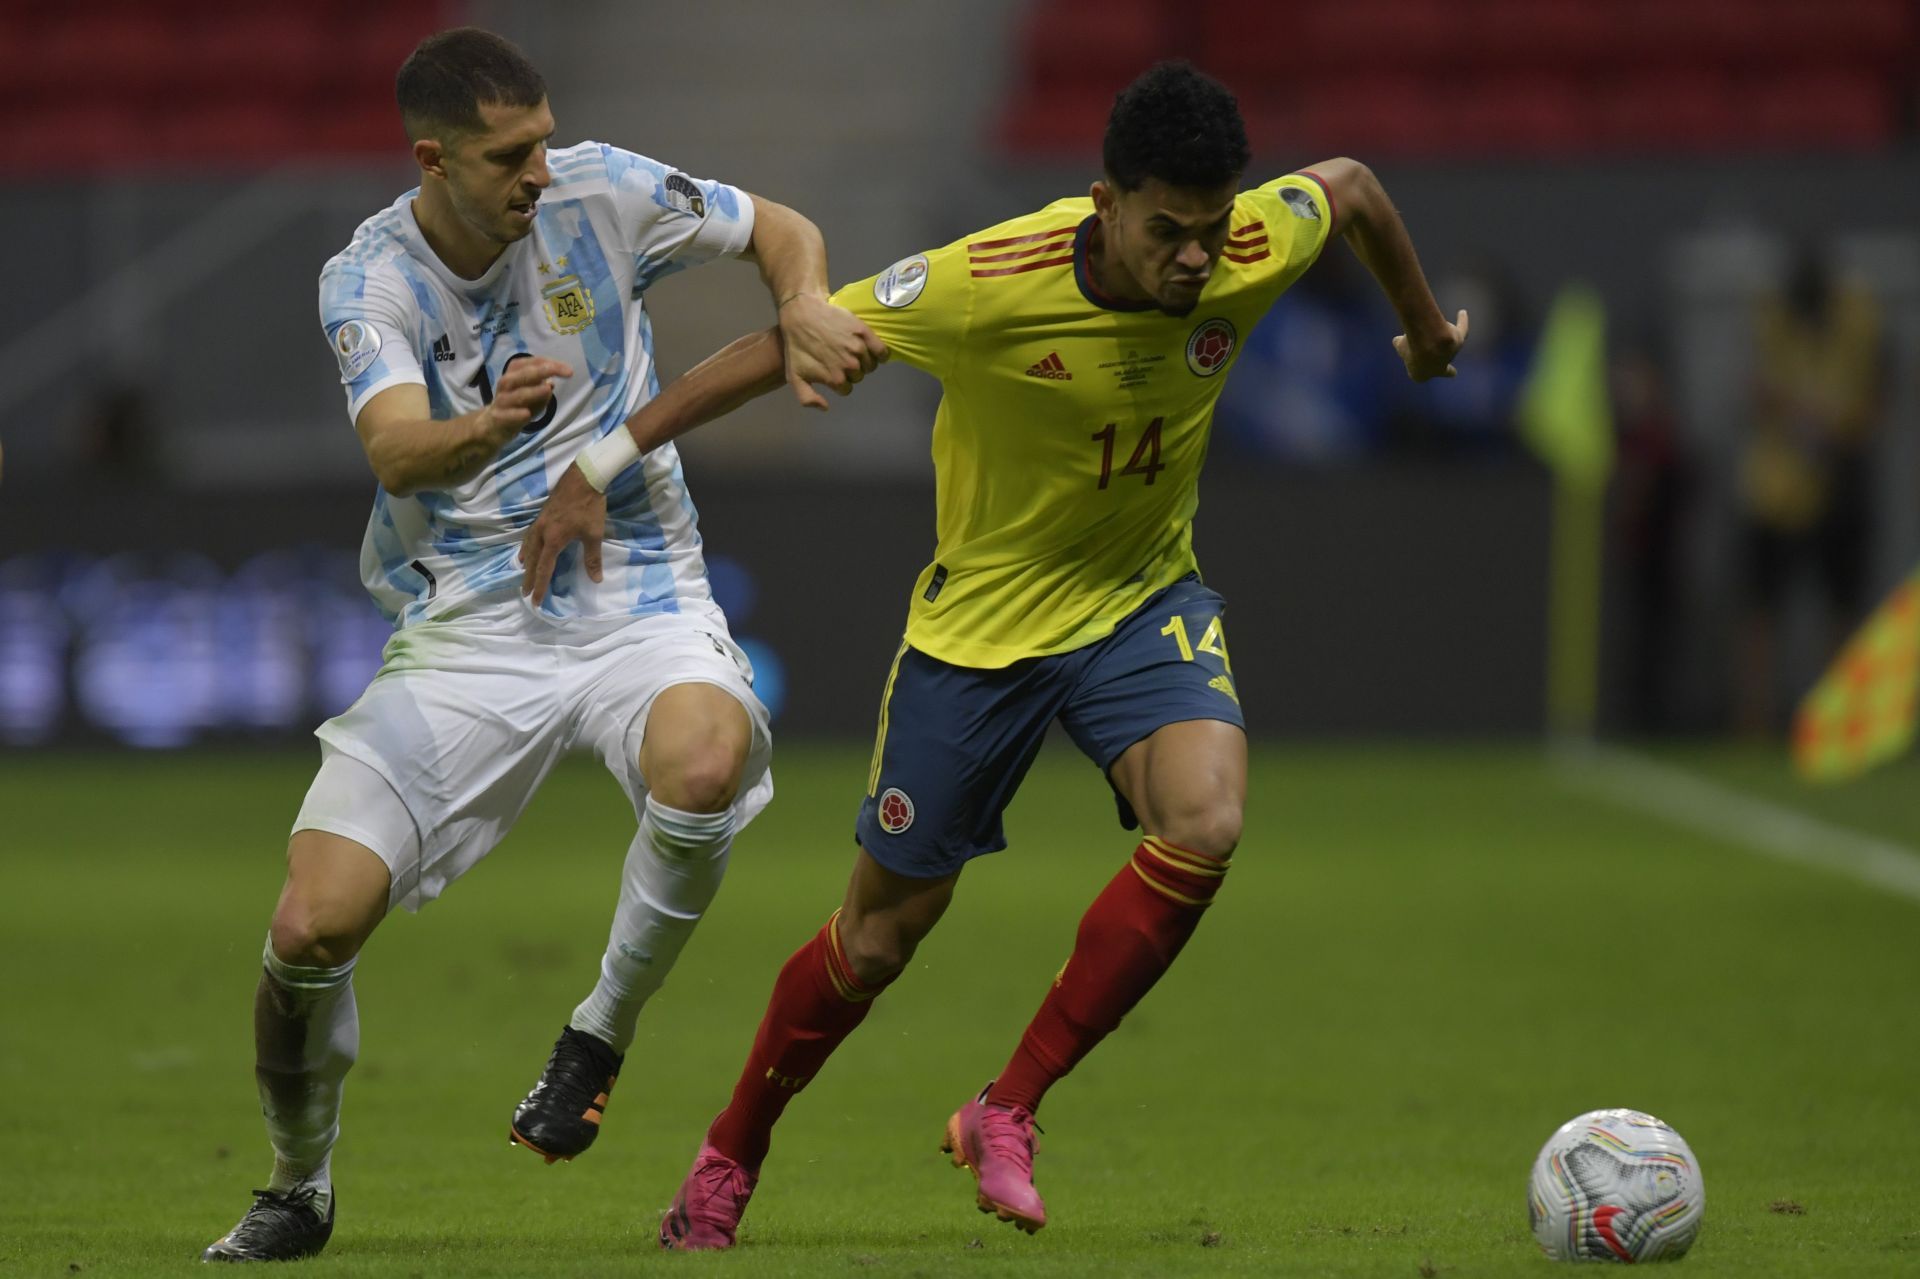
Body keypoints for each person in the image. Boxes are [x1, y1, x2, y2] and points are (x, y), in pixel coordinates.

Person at [522, 59, 1466, 1252]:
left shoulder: (1250, 245)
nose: (1193, 259)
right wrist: (599, 468)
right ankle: (730, 1152)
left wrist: (1425, 331)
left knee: (1209, 822)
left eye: (1209, 230)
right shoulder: (984, 281)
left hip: (1140, 602)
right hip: (980, 637)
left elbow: (1357, 187)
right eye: (1165, 231)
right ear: (1103, 203)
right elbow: (774, 349)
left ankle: (1006, 1105)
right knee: (877, 939)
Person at [200, 27, 881, 1263]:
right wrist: (489, 429)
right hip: (468, 619)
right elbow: (398, 448)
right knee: (309, 930)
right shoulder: (370, 278)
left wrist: (804, 299)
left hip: (637, 587)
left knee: (703, 762)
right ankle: (299, 1184)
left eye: (544, 139)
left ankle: (598, 1035)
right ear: (434, 160)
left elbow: (780, 226)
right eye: (510, 154)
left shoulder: (600, 191)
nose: (538, 170)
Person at [1734, 246, 1884, 735]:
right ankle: (1756, 717)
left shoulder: (1859, 323)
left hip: (1838, 478)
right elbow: (1755, 391)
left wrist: (1830, 427)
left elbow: (1877, 402)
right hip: (1777, 481)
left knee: (1840, 606)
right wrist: (1795, 415)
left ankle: (1838, 716)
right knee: (1763, 607)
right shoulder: (1773, 320)